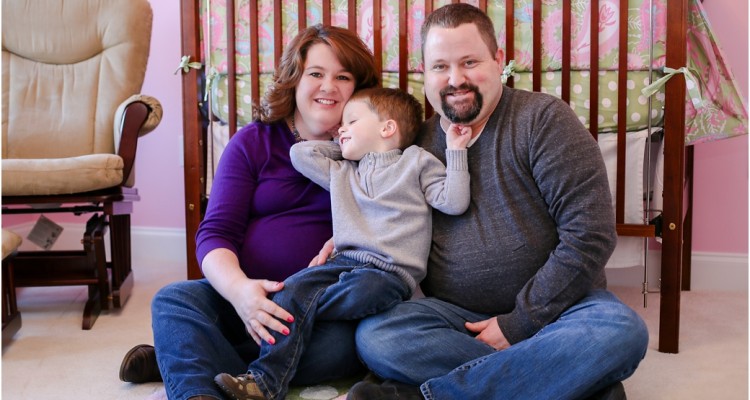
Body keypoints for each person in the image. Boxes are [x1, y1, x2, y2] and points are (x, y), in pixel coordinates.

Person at [337, 4, 650, 400]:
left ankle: (431, 395)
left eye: (469, 62)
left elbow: (591, 235)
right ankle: (566, 380)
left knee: (621, 330)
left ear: (498, 60)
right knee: (377, 335)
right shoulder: (414, 145)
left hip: (560, 311)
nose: (456, 79)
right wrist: (349, 232)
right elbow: (384, 210)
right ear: (424, 72)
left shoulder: (543, 119)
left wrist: (519, 324)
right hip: (458, 319)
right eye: (440, 67)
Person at [118, 24, 380, 400]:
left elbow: (393, 224)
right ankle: (197, 389)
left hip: (317, 312)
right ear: (294, 79)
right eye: (316, 74)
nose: (329, 87)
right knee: (173, 300)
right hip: (244, 301)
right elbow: (215, 233)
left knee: (345, 348)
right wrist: (241, 292)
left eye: (343, 77)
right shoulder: (254, 142)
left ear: (359, 87)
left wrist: (351, 237)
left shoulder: (373, 152)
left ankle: (181, 356)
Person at [212, 87, 472, 400]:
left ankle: (296, 323)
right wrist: (344, 144)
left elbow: (453, 202)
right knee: (290, 292)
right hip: (343, 263)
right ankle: (265, 383)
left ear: (387, 128)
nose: (341, 128)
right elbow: (300, 154)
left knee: (346, 293)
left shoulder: (415, 162)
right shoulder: (343, 171)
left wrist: (457, 151)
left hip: (389, 274)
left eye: (351, 121)